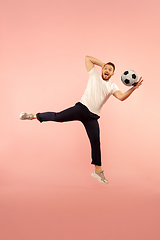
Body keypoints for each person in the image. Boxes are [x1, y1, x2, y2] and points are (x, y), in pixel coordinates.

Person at [20, 56, 143, 184]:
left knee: (96, 142)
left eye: (110, 69)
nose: (107, 70)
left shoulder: (112, 86)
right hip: (81, 108)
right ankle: (33, 116)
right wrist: (102, 64)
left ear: (113, 73)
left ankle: (98, 172)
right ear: (101, 70)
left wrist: (133, 88)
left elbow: (121, 97)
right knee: (58, 117)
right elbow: (88, 58)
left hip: (92, 117)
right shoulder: (94, 75)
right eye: (105, 68)